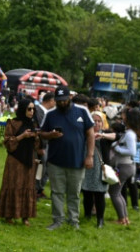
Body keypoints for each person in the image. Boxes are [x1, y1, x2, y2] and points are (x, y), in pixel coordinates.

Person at [40, 85, 95, 230]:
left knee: (74, 193)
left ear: (69, 98)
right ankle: (58, 220)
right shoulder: (51, 114)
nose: (61, 103)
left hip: (77, 161)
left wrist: (90, 155)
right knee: (57, 192)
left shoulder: (82, 111)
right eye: (58, 100)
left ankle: (73, 220)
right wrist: (50, 135)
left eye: (64, 100)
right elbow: (41, 133)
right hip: (55, 161)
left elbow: (90, 134)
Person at [0, 97, 41, 226]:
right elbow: (7, 142)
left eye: (33, 109)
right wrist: (22, 136)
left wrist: (36, 137)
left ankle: (25, 217)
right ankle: (9, 215)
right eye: (29, 109)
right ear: (23, 109)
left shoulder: (34, 124)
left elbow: (37, 146)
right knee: (13, 185)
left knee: (28, 186)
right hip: (15, 160)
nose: (31, 111)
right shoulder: (13, 123)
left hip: (29, 160)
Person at [108, 108, 140, 225]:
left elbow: (132, 151)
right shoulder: (130, 133)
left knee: (114, 193)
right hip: (126, 166)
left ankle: (122, 219)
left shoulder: (129, 134)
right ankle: (124, 218)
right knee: (118, 192)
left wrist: (116, 147)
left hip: (124, 166)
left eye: (123, 114)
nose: (122, 116)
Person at [82, 98, 110, 228]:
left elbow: (118, 135)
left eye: (99, 121)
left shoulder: (105, 135)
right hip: (88, 166)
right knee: (86, 191)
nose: (97, 123)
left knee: (99, 194)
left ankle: (100, 219)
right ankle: (87, 215)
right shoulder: (85, 134)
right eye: (94, 121)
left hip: (100, 168)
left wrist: (102, 136)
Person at [34, 92, 55, 199]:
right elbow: (39, 131)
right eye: (55, 101)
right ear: (50, 101)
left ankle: (39, 189)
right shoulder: (37, 111)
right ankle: (36, 190)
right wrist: (40, 147)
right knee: (40, 169)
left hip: (48, 145)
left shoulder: (49, 113)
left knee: (46, 169)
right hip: (42, 146)